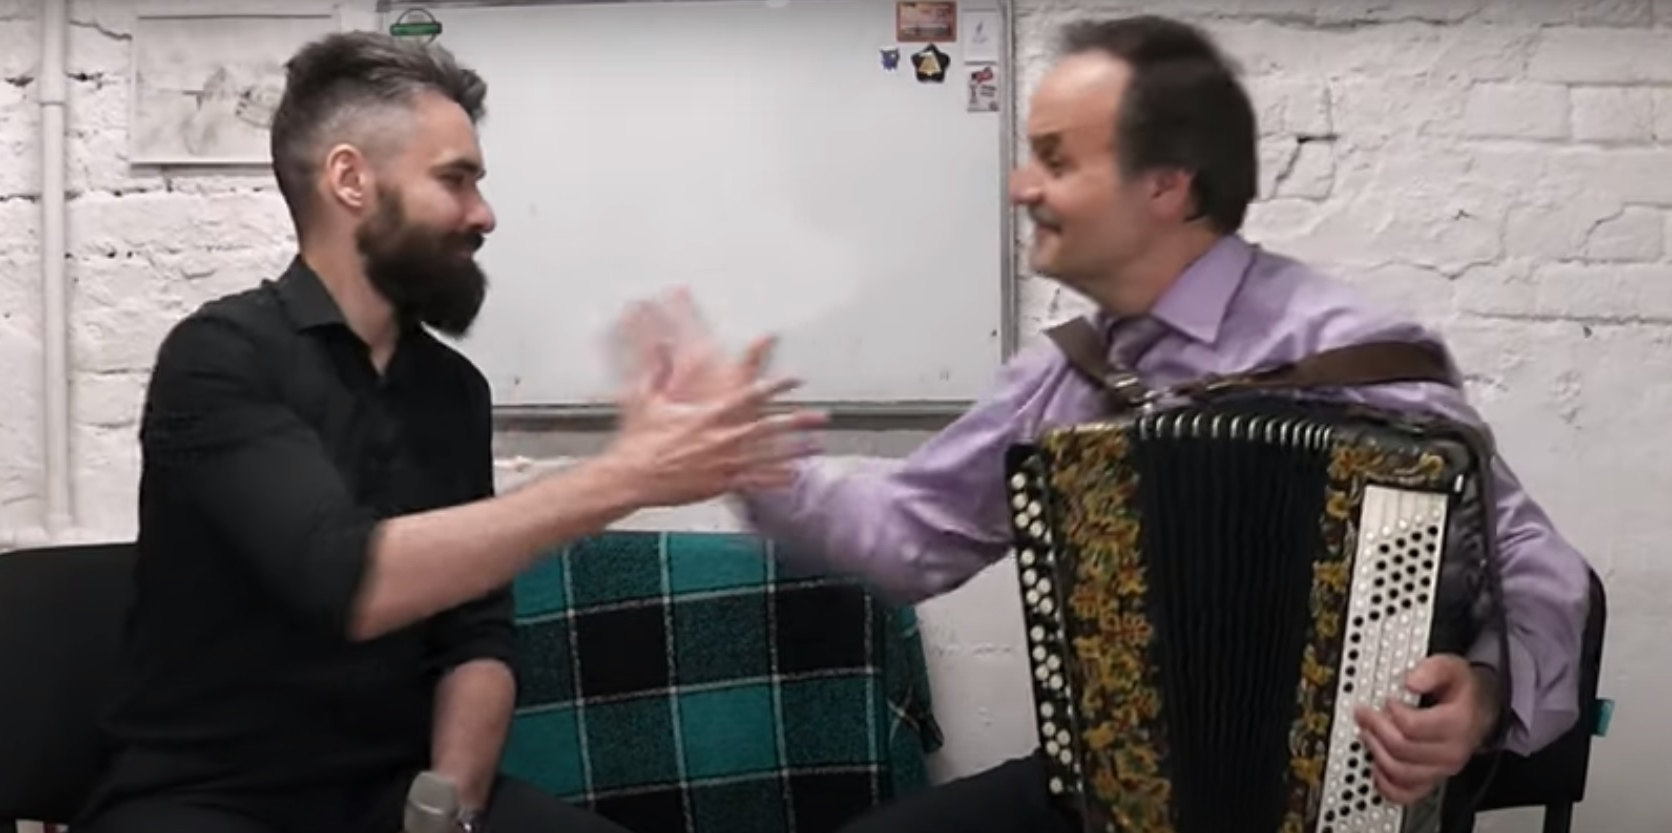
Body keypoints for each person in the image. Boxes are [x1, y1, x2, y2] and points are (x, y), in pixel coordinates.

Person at [615, 15, 1592, 833]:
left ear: (1165, 184)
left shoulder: (1352, 349)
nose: (1019, 187)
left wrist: (1482, 692)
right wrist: (745, 454)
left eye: (1054, 158)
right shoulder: (1065, 379)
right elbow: (907, 534)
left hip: (1345, 800)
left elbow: (1531, 562)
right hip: (1118, 789)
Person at [72, 31, 824, 833]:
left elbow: (476, 635)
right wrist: (628, 475)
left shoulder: (453, 390)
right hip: (206, 799)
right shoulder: (219, 356)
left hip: (397, 798)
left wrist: (446, 809)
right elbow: (346, 580)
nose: (484, 214)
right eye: (454, 179)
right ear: (351, 180)